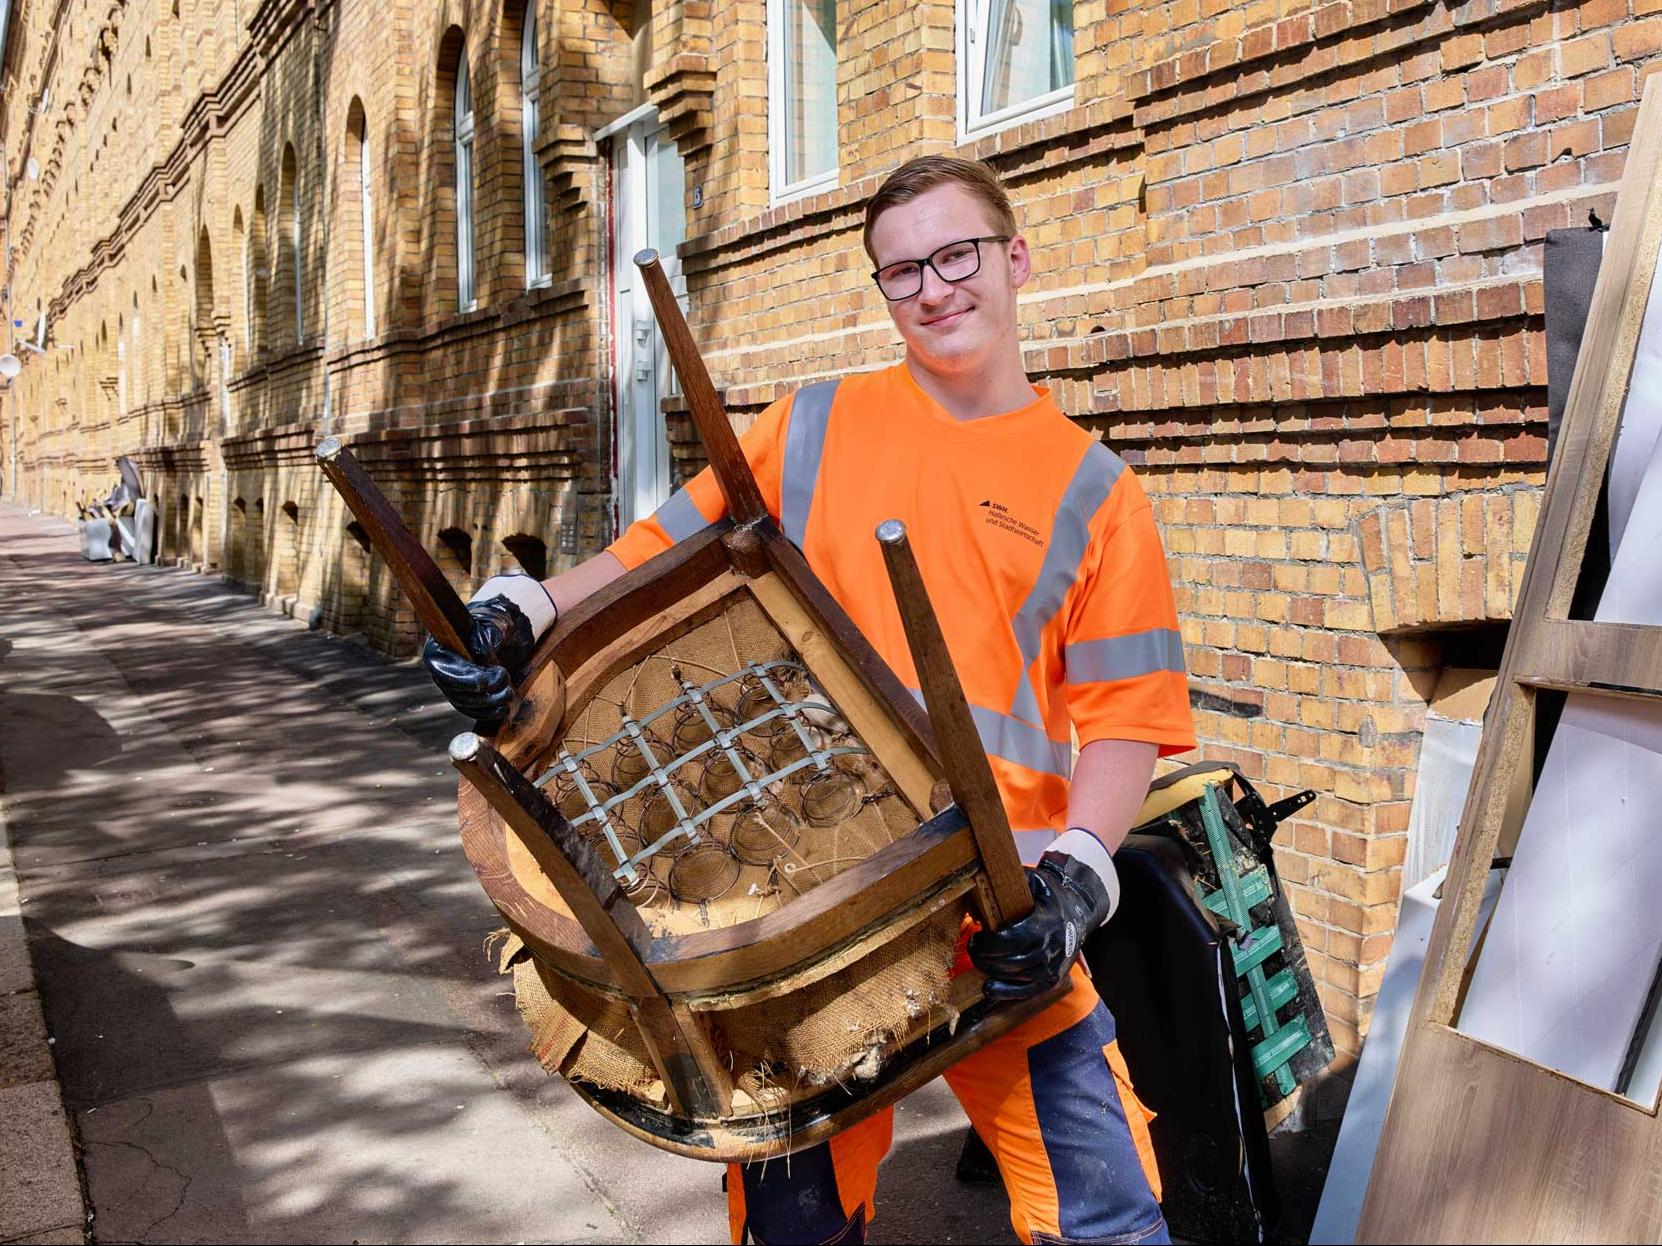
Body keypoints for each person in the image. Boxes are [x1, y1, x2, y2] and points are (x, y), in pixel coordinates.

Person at [425, 155, 1195, 1246]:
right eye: (902, 271)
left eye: (957, 254)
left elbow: (1126, 717)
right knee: (795, 1228)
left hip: (998, 914)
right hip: (798, 919)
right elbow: (660, 551)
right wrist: (524, 608)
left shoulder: (1096, 491)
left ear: (1015, 258)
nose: (934, 288)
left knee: (1107, 1216)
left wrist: (1081, 879)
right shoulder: (816, 425)